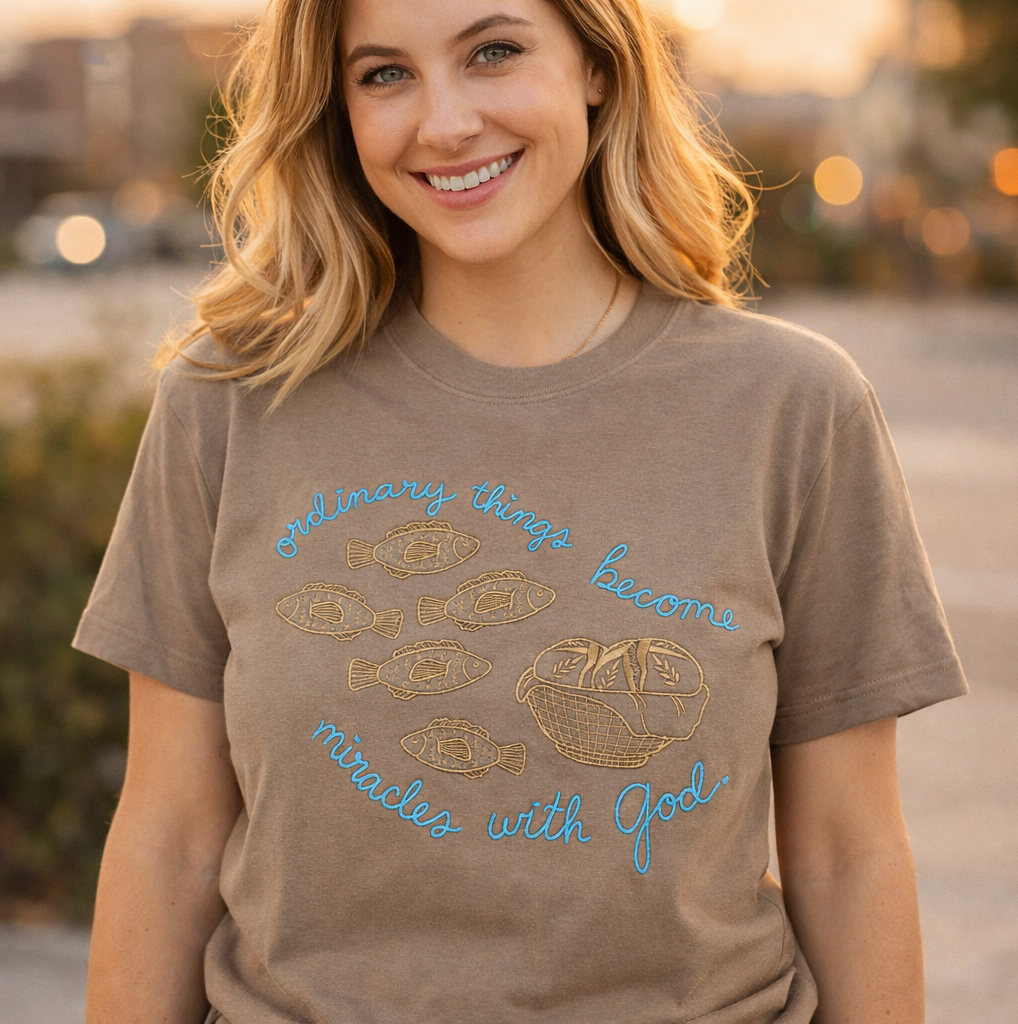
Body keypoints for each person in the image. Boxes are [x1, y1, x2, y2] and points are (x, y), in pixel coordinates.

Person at [73, 0, 968, 1020]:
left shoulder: (794, 408)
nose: (445, 123)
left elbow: (848, 850)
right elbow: (171, 837)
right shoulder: (229, 401)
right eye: (383, 74)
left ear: (597, 64)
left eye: (493, 52)